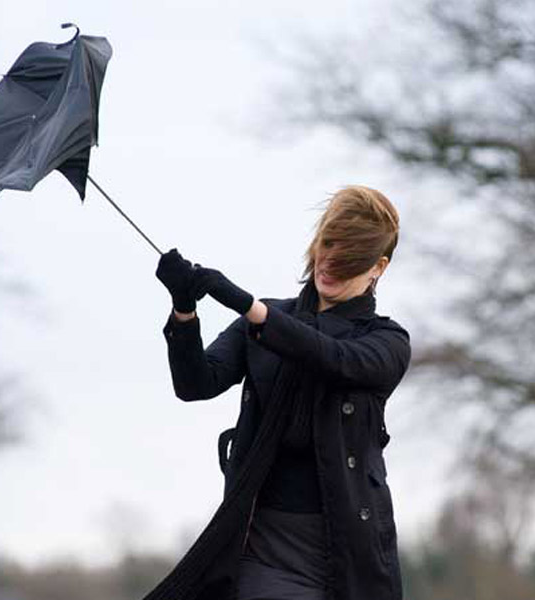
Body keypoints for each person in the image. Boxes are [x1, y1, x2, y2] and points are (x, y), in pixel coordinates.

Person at [153, 185, 411, 600]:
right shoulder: (267, 320)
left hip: (349, 554)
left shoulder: (385, 342)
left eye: (347, 263)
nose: (329, 266)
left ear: (377, 267)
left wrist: (251, 308)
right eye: (327, 248)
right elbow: (196, 384)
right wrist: (184, 310)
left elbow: (333, 356)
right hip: (264, 543)